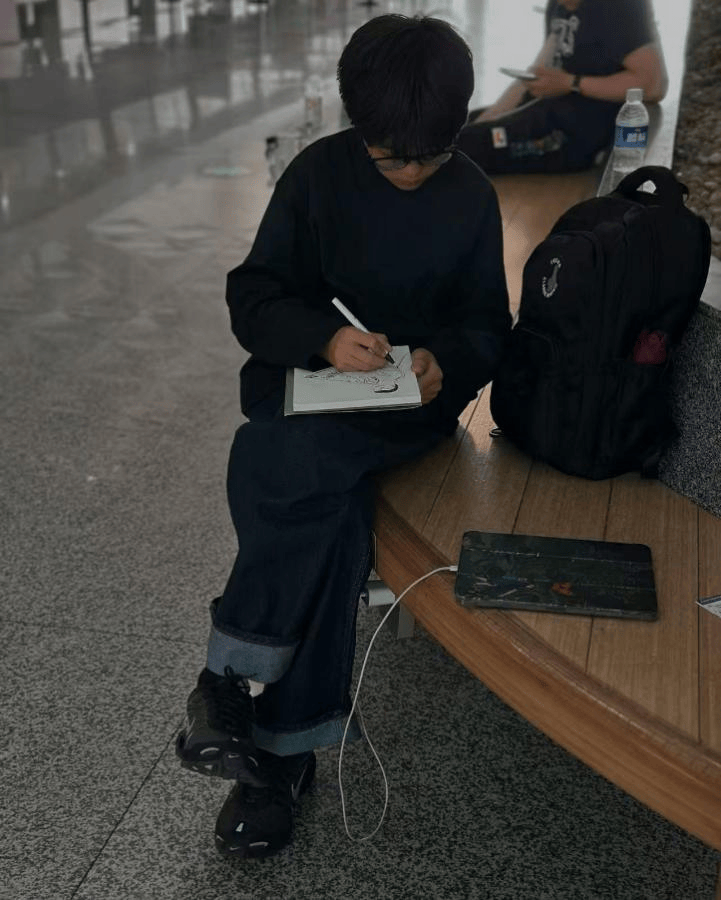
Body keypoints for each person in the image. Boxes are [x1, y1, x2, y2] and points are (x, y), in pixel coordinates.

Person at [175, 13, 511, 859]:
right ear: (356, 126)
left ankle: (229, 685)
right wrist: (324, 338)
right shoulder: (317, 175)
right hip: (309, 387)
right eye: (389, 156)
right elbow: (253, 295)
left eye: (429, 156)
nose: (410, 172)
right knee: (327, 514)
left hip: (405, 409)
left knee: (276, 457)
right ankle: (281, 749)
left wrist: (442, 361)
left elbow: (487, 326)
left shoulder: (471, 193)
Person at [456, 0, 668, 174]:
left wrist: (572, 83)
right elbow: (537, 72)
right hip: (551, 111)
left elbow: (653, 85)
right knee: (458, 126)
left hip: (578, 132)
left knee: (469, 145)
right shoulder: (558, 6)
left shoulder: (619, 7)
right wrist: (493, 114)